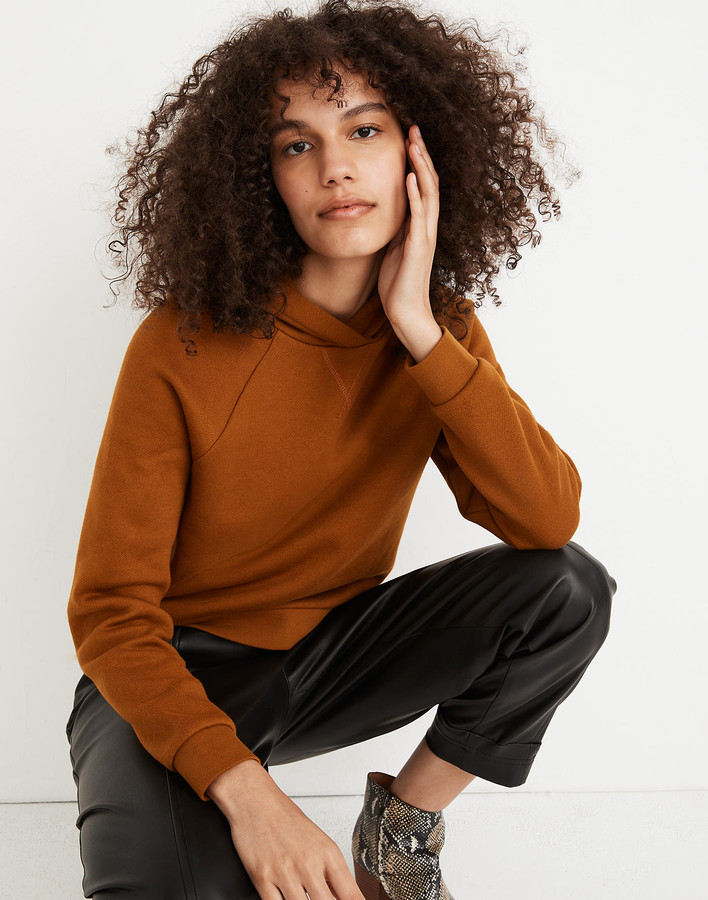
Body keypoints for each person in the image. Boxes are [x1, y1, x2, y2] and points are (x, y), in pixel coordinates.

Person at [65, 1, 618, 898]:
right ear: (263, 179)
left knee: (568, 589)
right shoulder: (181, 344)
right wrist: (252, 798)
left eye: (364, 129)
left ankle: (401, 832)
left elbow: (547, 521)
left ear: (417, 154)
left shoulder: (438, 334)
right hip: (168, 674)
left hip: (333, 660)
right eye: (297, 144)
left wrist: (418, 330)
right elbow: (109, 615)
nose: (336, 167)